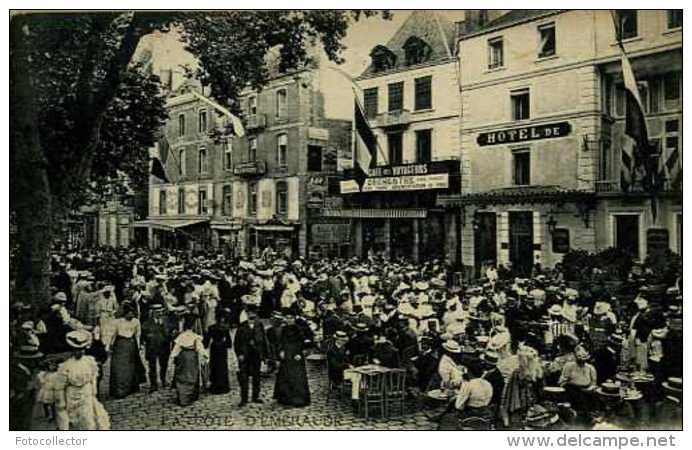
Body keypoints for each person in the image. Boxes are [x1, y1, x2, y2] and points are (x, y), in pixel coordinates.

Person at [55, 331, 110, 430]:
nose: (79, 352)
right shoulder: (66, 366)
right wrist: (62, 403)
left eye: (81, 350)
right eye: (76, 350)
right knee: (74, 421)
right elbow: (60, 387)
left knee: (89, 419)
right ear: (72, 350)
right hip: (72, 395)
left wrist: (93, 391)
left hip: (86, 393)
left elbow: (93, 377)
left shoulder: (89, 361)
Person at [500, 345, 544, 428]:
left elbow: (509, 393)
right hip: (533, 402)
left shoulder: (517, 373)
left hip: (519, 402)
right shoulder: (538, 372)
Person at [273, 313, 311, 407]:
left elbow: (302, 342)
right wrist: (281, 351)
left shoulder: (298, 329)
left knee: (297, 376)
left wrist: (299, 353)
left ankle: (298, 398)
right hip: (286, 354)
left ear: (294, 319)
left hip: (295, 355)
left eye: (291, 318)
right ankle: (286, 398)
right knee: (285, 375)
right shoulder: (284, 329)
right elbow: (280, 341)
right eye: (287, 318)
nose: (289, 320)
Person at [109, 303, 145, 399]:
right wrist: (110, 345)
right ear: (125, 314)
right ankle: (119, 390)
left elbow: (138, 335)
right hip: (120, 345)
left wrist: (137, 347)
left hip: (131, 344)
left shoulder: (136, 322)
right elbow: (114, 334)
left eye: (132, 313)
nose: (131, 315)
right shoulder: (118, 322)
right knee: (120, 368)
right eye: (129, 313)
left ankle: (131, 388)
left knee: (131, 367)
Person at [234, 307, 268, 407]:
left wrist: (264, 355)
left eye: (253, 313)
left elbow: (264, 341)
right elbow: (237, 342)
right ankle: (244, 398)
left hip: (256, 355)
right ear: (246, 314)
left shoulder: (259, 325)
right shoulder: (242, 326)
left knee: (256, 376)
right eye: (249, 313)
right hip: (245, 356)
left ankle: (255, 396)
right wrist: (239, 354)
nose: (251, 315)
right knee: (243, 377)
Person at [170, 314, 205, 406]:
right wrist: (205, 356)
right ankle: (189, 396)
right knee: (191, 376)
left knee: (182, 376)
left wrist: (174, 357)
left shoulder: (181, 336)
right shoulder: (195, 336)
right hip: (192, 357)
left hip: (182, 357)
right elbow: (199, 348)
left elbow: (176, 348)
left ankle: (182, 397)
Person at [10, 343, 43, 430]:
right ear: (27, 360)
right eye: (34, 360)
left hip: (26, 407)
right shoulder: (15, 373)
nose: (36, 362)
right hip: (18, 409)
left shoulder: (28, 371)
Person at [142, 304, 174, 392]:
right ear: (152, 312)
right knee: (152, 366)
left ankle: (163, 380)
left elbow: (171, 331)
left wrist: (169, 335)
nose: (159, 313)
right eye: (157, 312)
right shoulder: (147, 322)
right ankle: (153, 384)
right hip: (152, 348)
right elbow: (144, 334)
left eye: (160, 311)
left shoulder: (166, 320)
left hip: (164, 347)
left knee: (164, 365)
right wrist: (150, 336)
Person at [203, 312, 233, 394]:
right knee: (222, 366)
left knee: (214, 366)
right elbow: (229, 343)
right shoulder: (225, 328)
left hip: (214, 348)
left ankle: (215, 385)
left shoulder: (211, 328)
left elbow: (206, 342)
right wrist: (226, 344)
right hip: (222, 348)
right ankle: (223, 386)